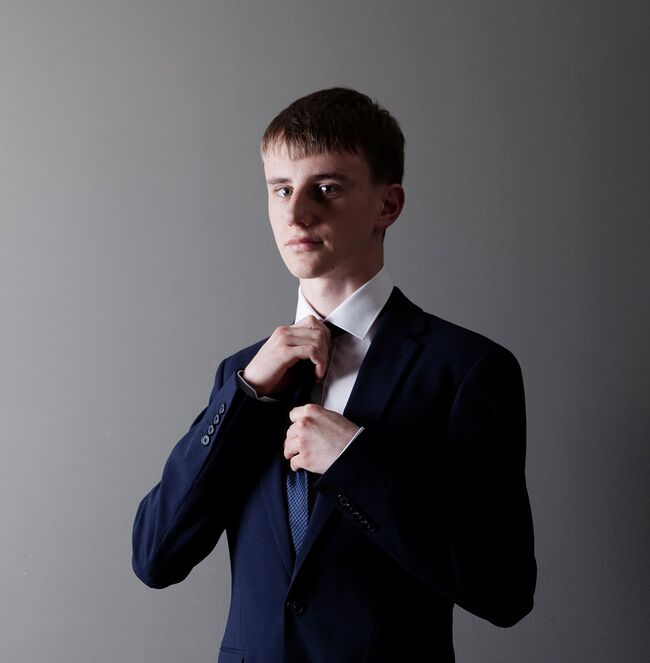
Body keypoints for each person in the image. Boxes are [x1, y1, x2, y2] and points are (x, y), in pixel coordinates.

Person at [132, 87, 536, 663]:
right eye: (281, 189)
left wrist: (356, 464)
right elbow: (155, 557)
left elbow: (504, 589)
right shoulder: (243, 374)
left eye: (326, 188)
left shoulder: (465, 370)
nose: (296, 213)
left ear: (387, 206)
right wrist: (246, 394)